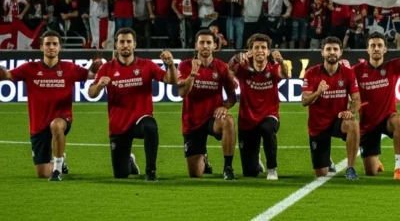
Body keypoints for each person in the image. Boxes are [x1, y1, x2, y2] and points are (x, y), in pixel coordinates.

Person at [0, 31, 101, 180]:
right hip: (38, 125)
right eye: (47, 44)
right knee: (42, 173)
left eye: (55, 44)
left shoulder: (69, 68)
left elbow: (91, 75)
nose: (51, 47)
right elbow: (7, 75)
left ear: (60, 47)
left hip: (62, 118)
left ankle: (57, 171)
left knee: (56, 125)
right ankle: (60, 159)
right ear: (41, 47)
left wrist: (95, 67)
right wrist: (2, 71)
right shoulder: (30, 68)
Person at [88, 28, 178, 180]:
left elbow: (172, 81)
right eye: (122, 42)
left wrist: (170, 65)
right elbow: (91, 93)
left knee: (150, 126)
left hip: (139, 121)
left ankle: (150, 171)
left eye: (129, 41)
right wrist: (99, 86)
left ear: (134, 44)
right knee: (120, 175)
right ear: (116, 45)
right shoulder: (106, 68)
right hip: (118, 125)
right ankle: (129, 160)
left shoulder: (146, 65)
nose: (125, 45)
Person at [353, 16, 400, 179]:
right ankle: (376, 161)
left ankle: (399, 168)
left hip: (387, 120)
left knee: (398, 120)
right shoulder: (356, 71)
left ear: (385, 50)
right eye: (373, 46)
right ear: (367, 50)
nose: (376, 48)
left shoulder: (392, 67)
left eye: (379, 46)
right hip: (367, 125)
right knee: (370, 172)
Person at [177, 29, 237, 179]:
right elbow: (182, 93)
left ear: (214, 46)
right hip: (192, 122)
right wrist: (192, 74)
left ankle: (228, 168)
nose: (205, 46)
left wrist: (224, 106)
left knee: (228, 121)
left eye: (208, 42)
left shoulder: (221, 67)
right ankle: (203, 158)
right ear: (196, 45)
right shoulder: (185, 65)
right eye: (202, 42)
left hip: (213, 118)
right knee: (195, 174)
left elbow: (232, 97)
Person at [231, 33, 290, 180]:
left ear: (268, 51)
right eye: (256, 47)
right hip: (247, 119)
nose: (260, 50)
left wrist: (281, 61)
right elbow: (227, 72)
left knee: (267, 129)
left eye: (263, 47)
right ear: (250, 51)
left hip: (269, 115)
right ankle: (255, 157)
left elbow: (285, 74)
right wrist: (235, 59)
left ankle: (272, 169)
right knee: (250, 173)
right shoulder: (242, 68)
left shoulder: (274, 68)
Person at [301, 36, 360, 179]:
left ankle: (351, 168)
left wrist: (350, 111)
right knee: (321, 174)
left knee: (353, 124)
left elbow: (357, 99)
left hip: (338, 121)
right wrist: (318, 92)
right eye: (328, 49)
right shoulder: (311, 73)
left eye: (335, 49)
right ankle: (327, 160)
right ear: (322, 52)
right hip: (318, 125)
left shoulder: (348, 73)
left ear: (340, 52)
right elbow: (304, 101)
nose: (332, 52)